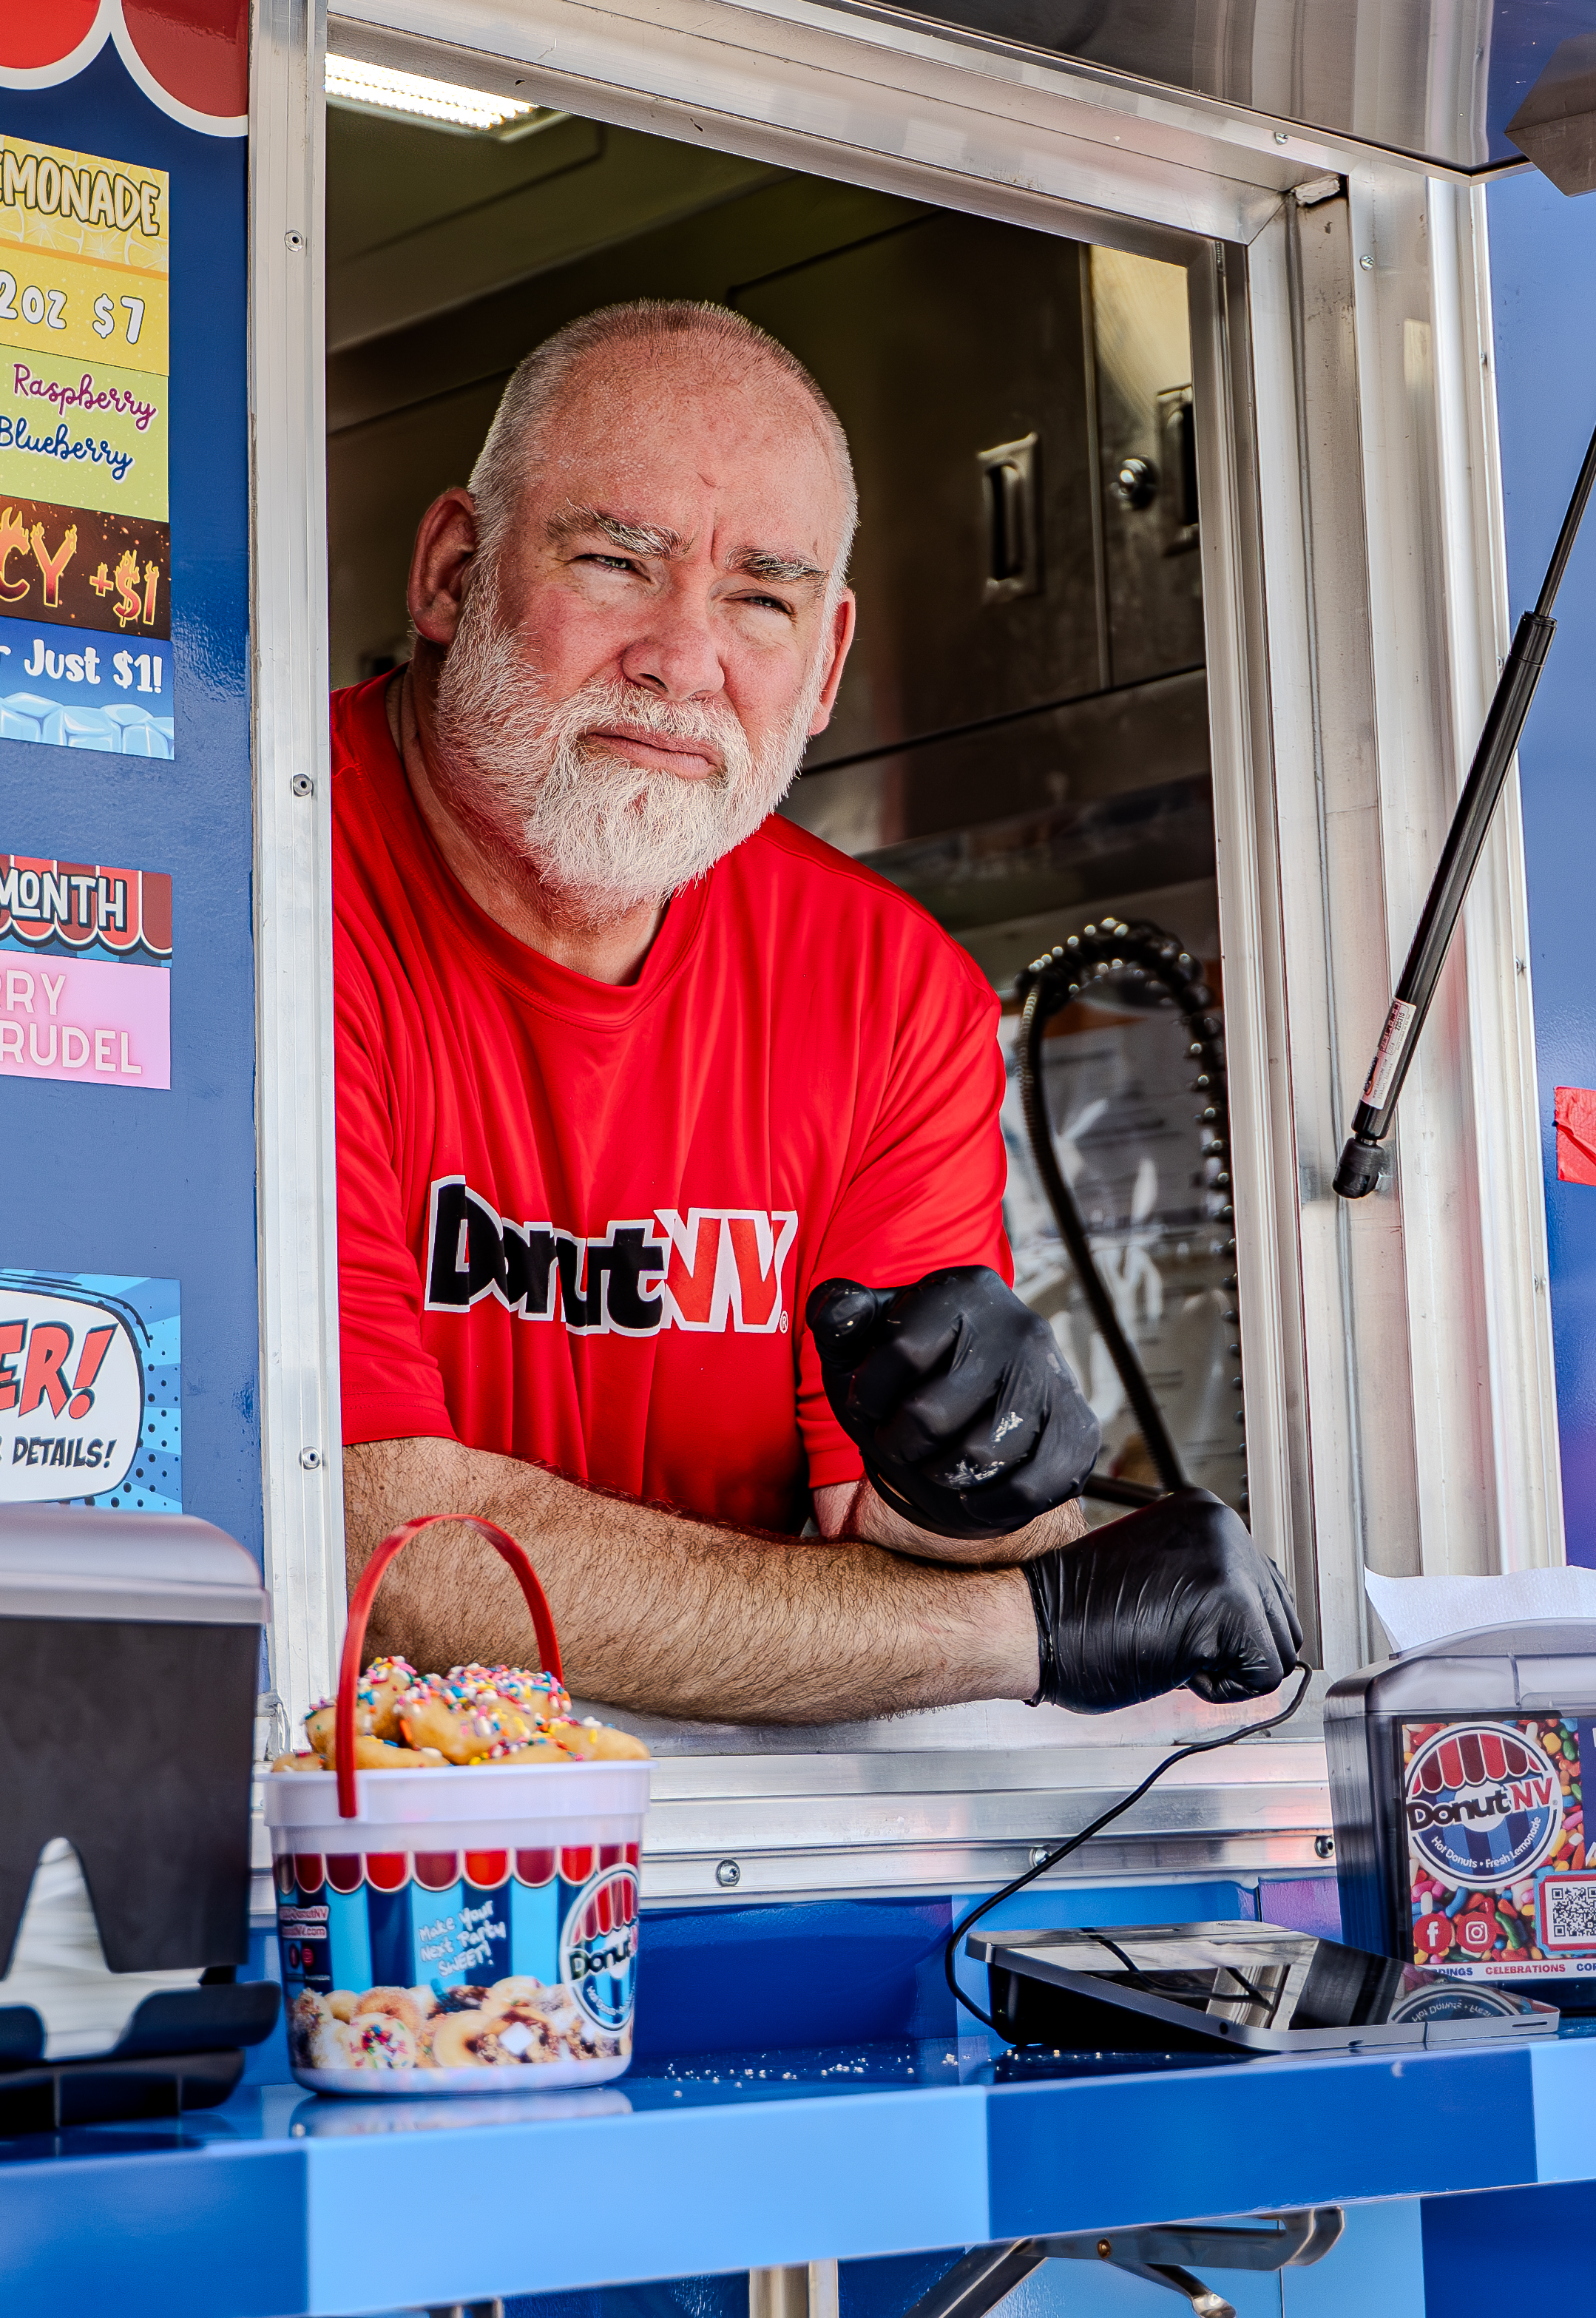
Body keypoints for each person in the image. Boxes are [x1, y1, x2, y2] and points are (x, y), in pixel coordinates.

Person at [338, 297, 1303, 1722]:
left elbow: (898, 1561)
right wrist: (1034, 1627)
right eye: (615, 562)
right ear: (452, 572)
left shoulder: (889, 990)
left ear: (830, 662)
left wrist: (976, 1499)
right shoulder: (263, 891)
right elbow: (382, 1548)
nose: (683, 660)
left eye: (760, 598)